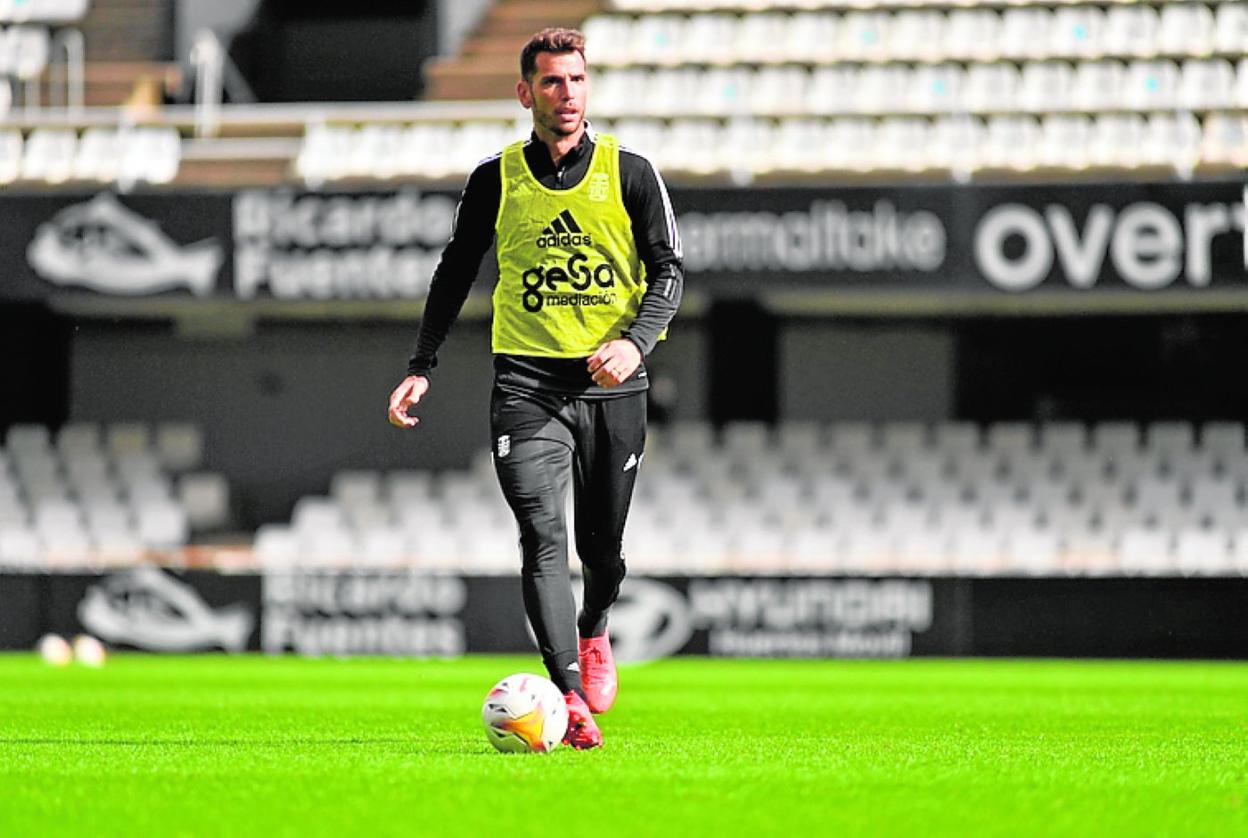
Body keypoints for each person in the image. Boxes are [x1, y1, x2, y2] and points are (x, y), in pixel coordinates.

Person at [387, 28, 683, 750]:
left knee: (602, 551)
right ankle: (571, 697)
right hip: (527, 387)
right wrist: (421, 364)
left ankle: (595, 627)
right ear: (525, 93)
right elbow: (454, 272)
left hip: (614, 386)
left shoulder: (632, 172)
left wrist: (633, 342)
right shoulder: (496, 179)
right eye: (552, 82)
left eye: (577, 80)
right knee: (543, 539)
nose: (568, 94)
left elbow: (670, 272)